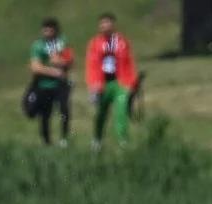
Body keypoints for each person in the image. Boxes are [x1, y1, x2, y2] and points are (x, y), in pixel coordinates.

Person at [85, 12, 138, 149]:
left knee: (121, 112)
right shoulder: (95, 43)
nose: (105, 26)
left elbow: (129, 62)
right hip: (102, 84)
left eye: (108, 22)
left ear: (113, 24)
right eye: (102, 23)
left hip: (120, 82)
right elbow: (91, 65)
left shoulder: (121, 41)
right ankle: (97, 139)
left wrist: (132, 82)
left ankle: (123, 140)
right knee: (101, 113)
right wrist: (92, 85)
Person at [29, 17, 75, 146]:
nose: (47, 33)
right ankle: (46, 141)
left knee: (65, 111)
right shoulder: (38, 45)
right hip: (44, 85)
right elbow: (35, 67)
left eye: (50, 30)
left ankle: (64, 139)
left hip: (61, 84)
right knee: (45, 114)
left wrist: (59, 61)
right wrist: (54, 71)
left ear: (56, 31)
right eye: (45, 30)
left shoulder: (63, 42)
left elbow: (70, 60)